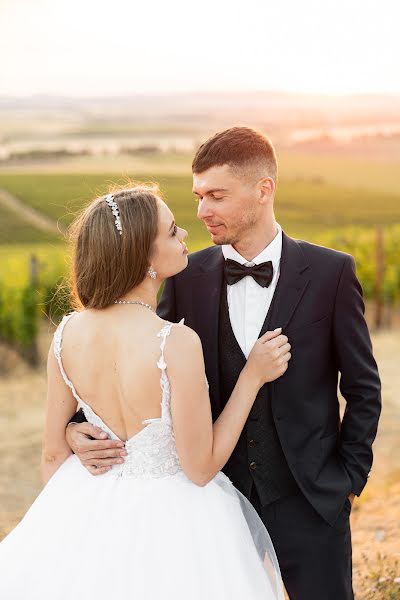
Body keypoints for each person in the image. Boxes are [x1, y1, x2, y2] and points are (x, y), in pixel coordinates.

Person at [68, 128, 382, 600]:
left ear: (263, 189)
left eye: (216, 195)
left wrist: (346, 480)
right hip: (213, 505)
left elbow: (363, 388)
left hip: (312, 503)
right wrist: (77, 427)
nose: (201, 211)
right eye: (197, 196)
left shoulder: (330, 272)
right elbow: (136, 362)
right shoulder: (183, 274)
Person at [0, 184, 287, 599]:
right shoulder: (174, 341)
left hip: (86, 510)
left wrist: (75, 509)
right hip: (178, 525)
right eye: (172, 232)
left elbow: (51, 457)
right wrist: (252, 377)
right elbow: (201, 467)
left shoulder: (65, 335)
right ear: (145, 258)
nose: (186, 234)